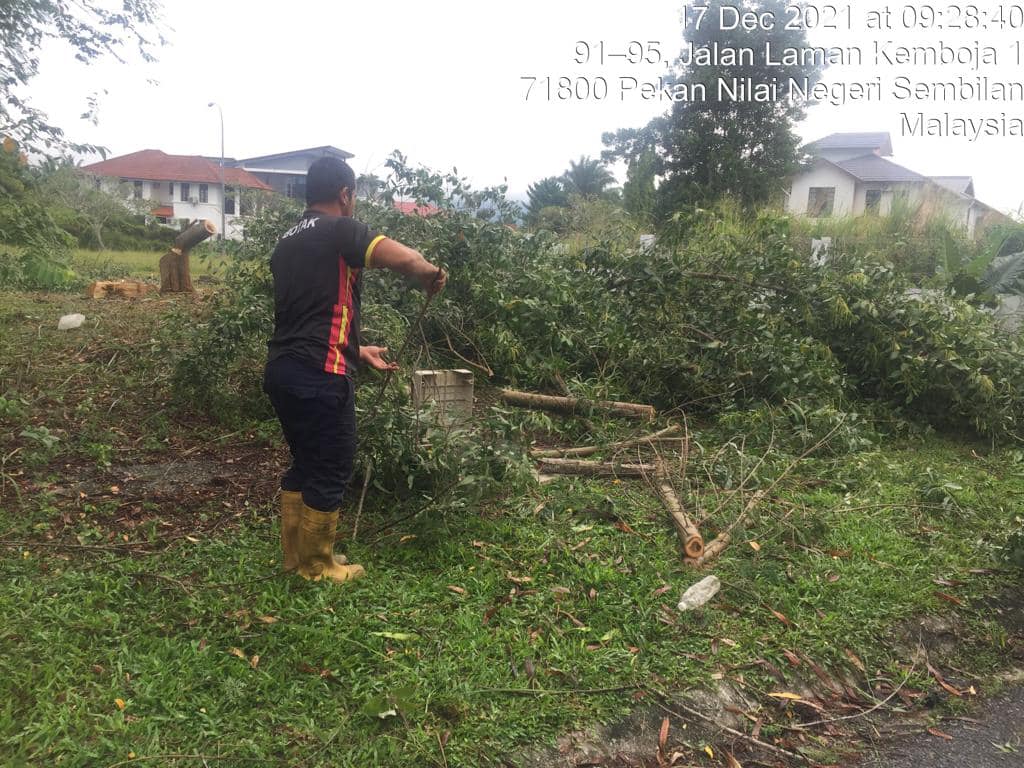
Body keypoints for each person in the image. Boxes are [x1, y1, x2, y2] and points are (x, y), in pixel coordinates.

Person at [263, 156, 447, 583]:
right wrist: (428, 272)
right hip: (320, 375)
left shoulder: (286, 240)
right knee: (332, 465)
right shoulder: (340, 229)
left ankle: (295, 557)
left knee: (305, 462)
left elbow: (306, 313)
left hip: (282, 370)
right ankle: (318, 566)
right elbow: (399, 257)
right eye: (354, 195)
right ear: (345, 195)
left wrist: (356, 349)